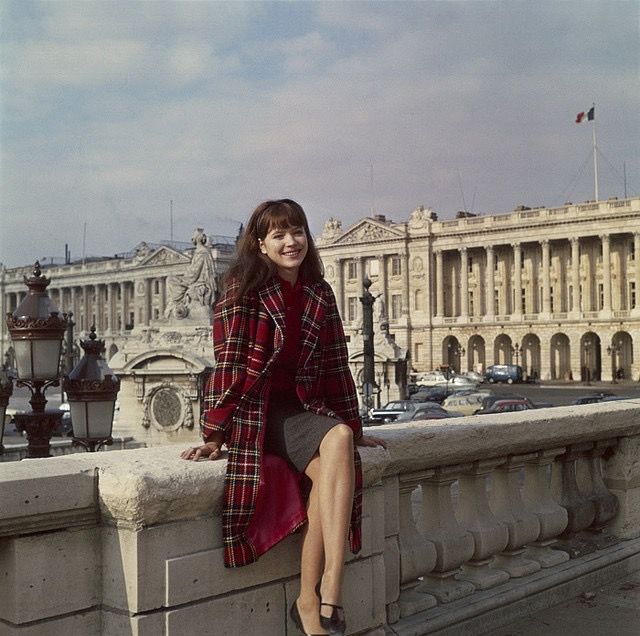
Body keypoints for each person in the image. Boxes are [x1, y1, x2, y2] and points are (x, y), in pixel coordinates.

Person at [181, 199, 386, 636]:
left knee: (328, 482)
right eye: (279, 235)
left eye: (297, 232)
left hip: (302, 411)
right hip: (259, 415)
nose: (291, 242)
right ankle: (333, 587)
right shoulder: (243, 290)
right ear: (260, 244)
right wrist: (216, 433)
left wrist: (356, 425)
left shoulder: (318, 293)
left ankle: (310, 602)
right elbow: (230, 366)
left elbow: (335, 366)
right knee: (336, 440)